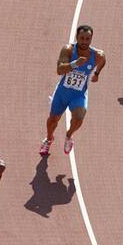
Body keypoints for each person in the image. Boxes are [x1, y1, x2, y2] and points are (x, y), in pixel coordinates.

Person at [39, 25, 106, 156]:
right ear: (77, 37)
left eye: (87, 39)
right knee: (53, 120)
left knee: (79, 117)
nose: (84, 42)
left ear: (91, 39)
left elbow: (103, 61)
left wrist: (97, 73)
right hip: (62, 92)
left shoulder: (97, 55)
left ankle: (69, 136)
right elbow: (59, 70)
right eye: (82, 38)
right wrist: (75, 64)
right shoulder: (68, 50)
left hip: (78, 95)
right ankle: (48, 139)